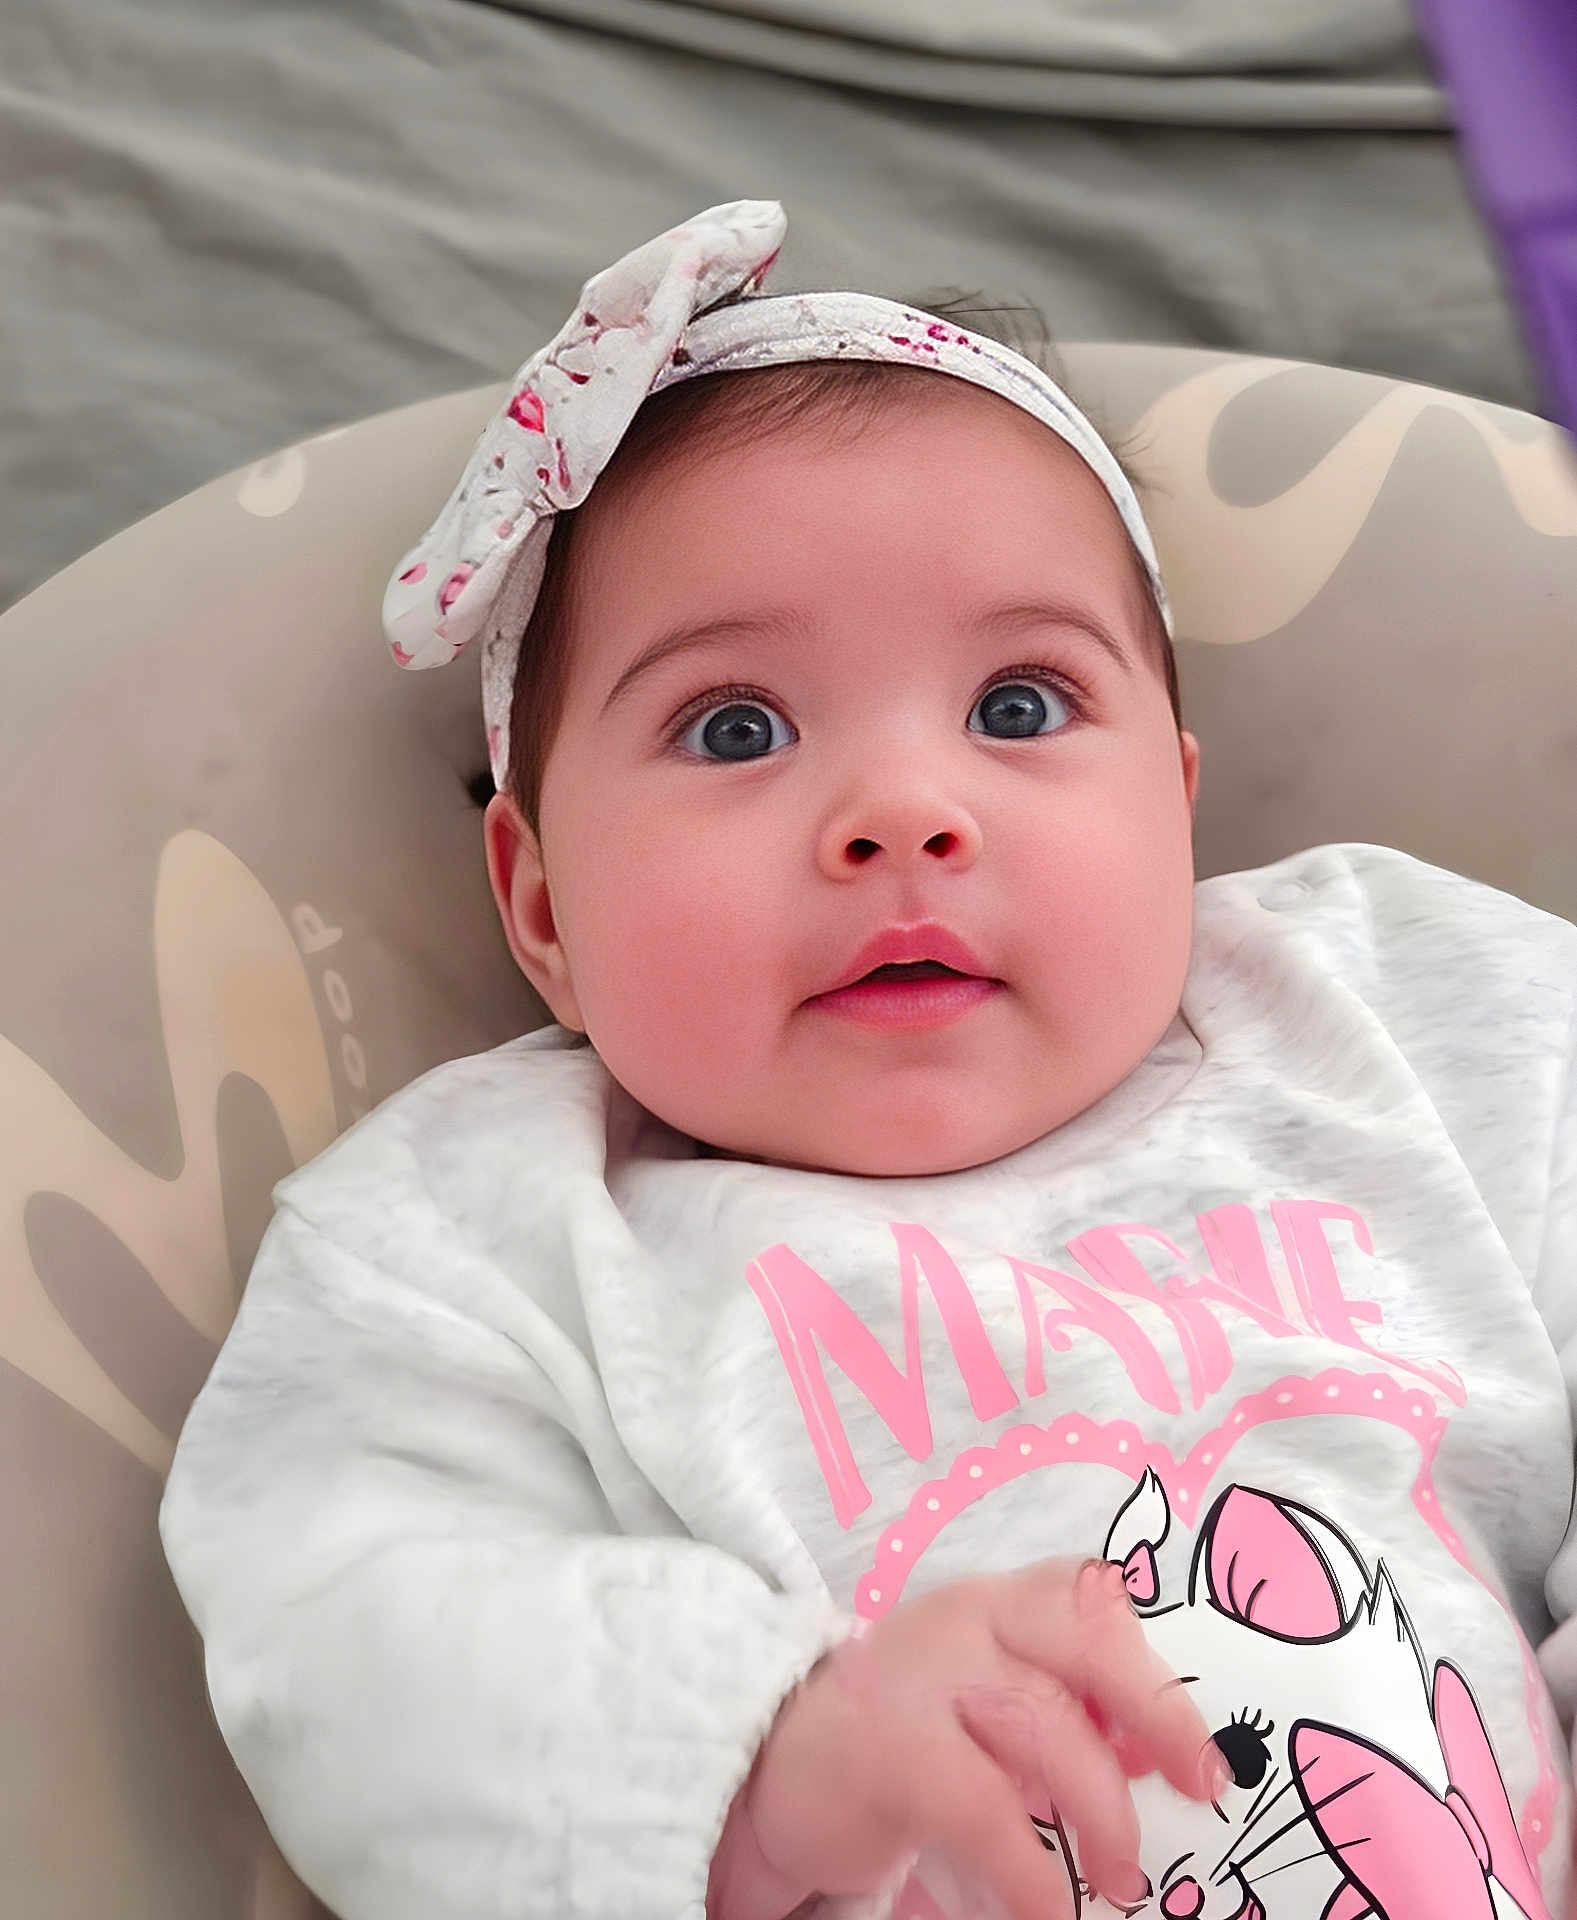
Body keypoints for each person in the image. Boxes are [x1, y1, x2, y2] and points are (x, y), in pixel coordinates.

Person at [158, 200, 1577, 1920]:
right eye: (734, 727)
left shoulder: (1405, 1016)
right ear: (541, 905)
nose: (905, 810)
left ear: (1173, 806)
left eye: (1020, 706)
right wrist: (769, 1761)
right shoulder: (471, 1242)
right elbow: (349, 1622)